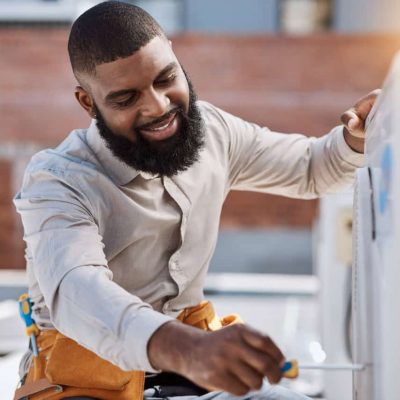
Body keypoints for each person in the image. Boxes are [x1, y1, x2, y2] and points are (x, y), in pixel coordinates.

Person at [13, 2, 377, 400]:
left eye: (166, 78)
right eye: (125, 99)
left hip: (189, 377)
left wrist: (355, 138)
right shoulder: (57, 181)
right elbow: (77, 288)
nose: (157, 106)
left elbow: (311, 167)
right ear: (88, 102)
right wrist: (186, 349)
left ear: (175, 57)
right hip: (85, 386)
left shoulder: (214, 132)